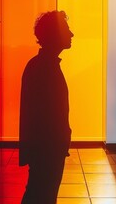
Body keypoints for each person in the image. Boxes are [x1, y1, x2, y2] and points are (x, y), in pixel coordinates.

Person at [19, 10, 74, 204]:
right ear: (55, 34)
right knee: (42, 195)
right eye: (67, 29)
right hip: (47, 150)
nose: (71, 34)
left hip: (47, 149)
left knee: (39, 193)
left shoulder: (41, 65)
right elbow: (43, 116)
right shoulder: (44, 68)